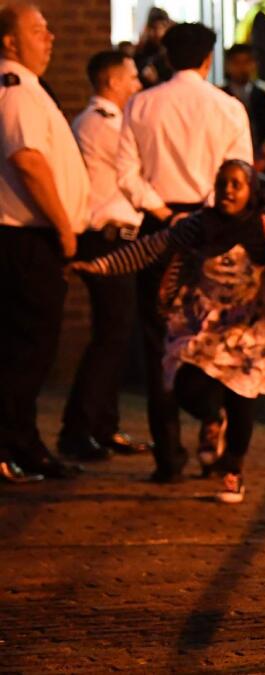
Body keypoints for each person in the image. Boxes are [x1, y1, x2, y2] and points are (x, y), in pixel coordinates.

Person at [71, 160, 265, 504]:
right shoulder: (197, 226)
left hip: (252, 331)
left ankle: (233, 470)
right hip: (205, 327)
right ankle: (211, 417)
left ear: (251, 190)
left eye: (237, 184)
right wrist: (99, 266)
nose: (228, 191)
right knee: (184, 385)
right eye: (223, 183)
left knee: (241, 401)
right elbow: (148, 249)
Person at [117, 21, 254, 483]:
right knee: (217, 333)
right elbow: (243, 174)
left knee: (160, 341)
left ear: (168, 58)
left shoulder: (140, 104)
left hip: (160, 228)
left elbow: (126, 174)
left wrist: (162, 211)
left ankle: (168, 457)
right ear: (208, 59)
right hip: (214, 228)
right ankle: (214, 416)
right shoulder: (229, 108)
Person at [0, 2, 89, 482]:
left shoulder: (23, 88)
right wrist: (64, 226)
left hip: (25, 239)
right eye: (38, 31)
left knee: (25, 348)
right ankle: (15, 447)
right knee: (27, 349)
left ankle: (21, 442)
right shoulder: (16, 91)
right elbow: (28, 160)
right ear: (10, 42)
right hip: (26, 241)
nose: (50, 37)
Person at [58, 50, 150, 463]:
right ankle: (78, 429)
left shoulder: (100, 121)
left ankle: (102, 426)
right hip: (108, 240)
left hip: (119, 239)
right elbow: (140, 171)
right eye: (131, 77)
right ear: (111, 82)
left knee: (115, 335)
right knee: (110, 337)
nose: (138, 83)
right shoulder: (102, 124)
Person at [223, 43, 265, 176]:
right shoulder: (221, 95)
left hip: (262, 163)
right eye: (237, 63)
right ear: (228, 65)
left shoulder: (263, 92)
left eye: (247, 62)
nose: (242, 67)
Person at [133, 7, 172, 88]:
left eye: (162, 27)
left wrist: (156, 80)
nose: (158, 32)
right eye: (154, 27)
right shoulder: (142, 51)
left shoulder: (172, 52)